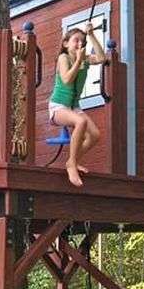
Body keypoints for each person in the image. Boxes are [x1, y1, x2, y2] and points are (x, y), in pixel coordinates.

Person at [49, 22, 105, 186]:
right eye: (76, 40)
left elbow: (102, 58)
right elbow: (66, 79)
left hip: (74, 106)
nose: (80, 44)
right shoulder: (63, 58)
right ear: (66, 43)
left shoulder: (85, 59)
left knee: (94, 135)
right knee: (81, 121)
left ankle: (71, 161)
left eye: (83, 42)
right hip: (58, 106)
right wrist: (78, 60)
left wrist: (92, 35)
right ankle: (72, 165)